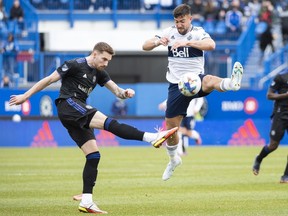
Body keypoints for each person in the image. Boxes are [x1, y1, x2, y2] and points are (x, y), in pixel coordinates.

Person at [9, 42, 178, 214]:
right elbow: (48, 80)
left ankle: (87, 201)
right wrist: (25, 95)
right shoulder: (74, 64)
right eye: (104, 59)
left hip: (76, 111)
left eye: (109, 61)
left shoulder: (100, 73)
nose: (106, 63)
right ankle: (151, 138)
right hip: (68, 104)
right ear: (95, 54)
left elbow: (117, 91)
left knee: (93, 156)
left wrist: (125, 93)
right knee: (110, 123)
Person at [142, 4, 244, 181]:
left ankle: (232, 83)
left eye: (182, 21)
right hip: (176, 85)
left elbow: (211, 44)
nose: (179, 25)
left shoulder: (198, 32)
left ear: (190, 19)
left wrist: (188, 42)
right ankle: (174, 160)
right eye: (176, 21)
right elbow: (145, 46)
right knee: (171, 129)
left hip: (195, 80)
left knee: (210, 80)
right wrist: (158, 41)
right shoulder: (169, 32)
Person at [252, 68, 288, 183]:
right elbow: (269, 95)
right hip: (281, 113)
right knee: (273, 145)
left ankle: (285, 176)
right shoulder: (281, 77)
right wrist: (285, 95)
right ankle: (259, 158)